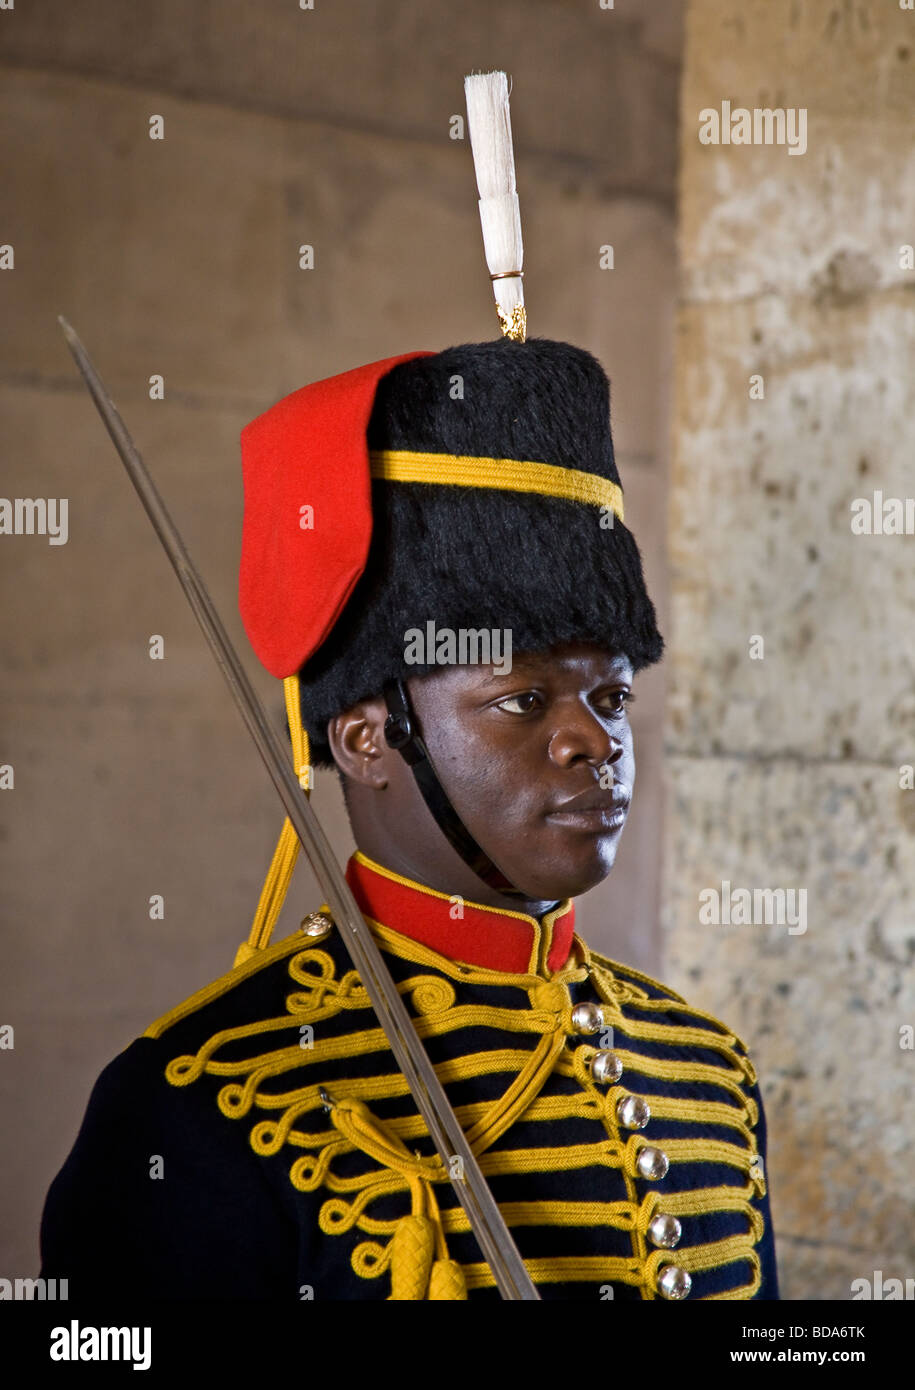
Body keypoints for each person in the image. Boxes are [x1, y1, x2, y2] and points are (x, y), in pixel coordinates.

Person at [39, 335, 779, 1300]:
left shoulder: (706, 1070)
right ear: (364, 741)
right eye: (522, 701)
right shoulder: (195, 1107)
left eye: (610, 699)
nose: (593, 742)